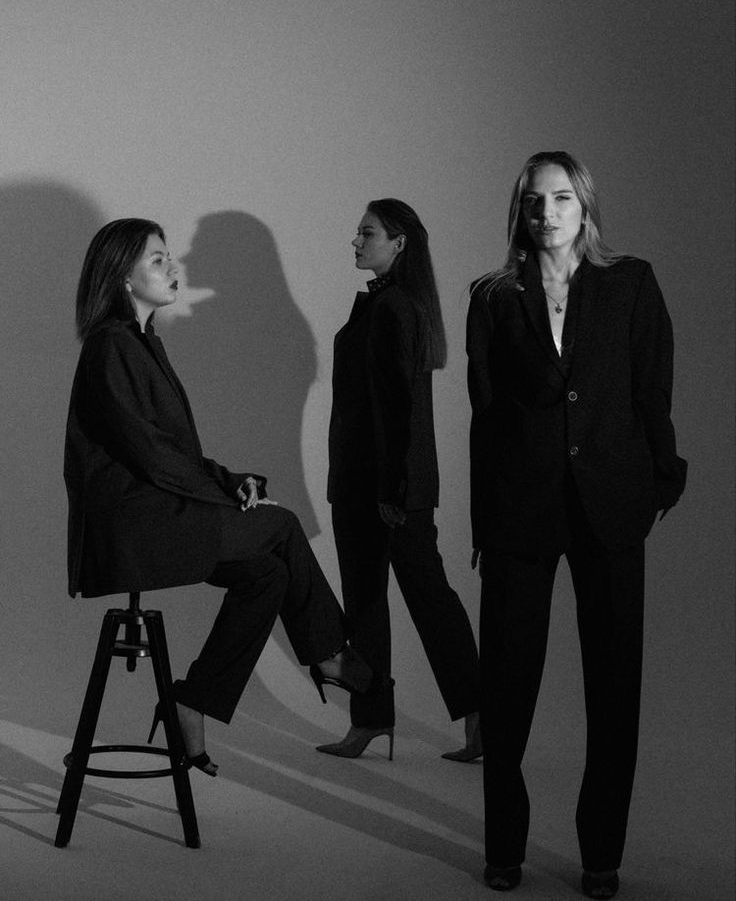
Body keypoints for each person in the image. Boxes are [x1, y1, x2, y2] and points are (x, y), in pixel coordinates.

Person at [64, 218, 379, 777]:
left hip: (159, 511)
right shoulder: (112, 347)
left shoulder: (143, 344)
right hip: (132, 527)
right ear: (121, 277)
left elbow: (175, 450)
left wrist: (233, 481)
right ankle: (329, 655)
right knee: (279, 527)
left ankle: (193, 700)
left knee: (268, 575)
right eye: (157, 259)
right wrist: (226, 497)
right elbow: (150, 455)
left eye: (168, 256)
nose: (172, 267)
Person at [466, 152, 687, 895]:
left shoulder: (630, 283)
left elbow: (652, 387)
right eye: (534, 201)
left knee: (613, 687)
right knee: (506, 686)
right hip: (521, 512)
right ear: (520, 213)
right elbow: (486, 419)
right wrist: (482, 521)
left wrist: (661, 479)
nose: (547, 212)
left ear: (585, 205)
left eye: (561, 198)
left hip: (610, 506)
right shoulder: (493, 296)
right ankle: (504, 847)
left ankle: (601, 856)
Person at [318, 198, 481, 762]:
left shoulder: (394, 308)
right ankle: (371, 720)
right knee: (367, 603)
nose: (356, 243)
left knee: (424, 598)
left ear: (399, 242)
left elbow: (398, 406)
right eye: (358, 233)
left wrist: (393, 491)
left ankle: (477, 718)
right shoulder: (386, 305)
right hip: (369, 483)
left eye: (367, 233)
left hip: (387, 489)